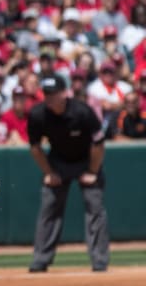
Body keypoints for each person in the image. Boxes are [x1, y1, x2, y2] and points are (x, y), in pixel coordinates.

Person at [26, 74, 110, 273]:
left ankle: (99, 260)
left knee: (95, 208)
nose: (49, 98)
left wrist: (92, 171)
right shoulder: (38, 114)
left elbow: (98, 144)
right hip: (58, 162)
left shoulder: (82, 111)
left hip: (86, 161)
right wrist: (48, 172)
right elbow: (35, 148)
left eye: (53, 94)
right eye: (46, 94)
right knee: (49, 207)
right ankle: (41, 259)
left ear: (64, 93)